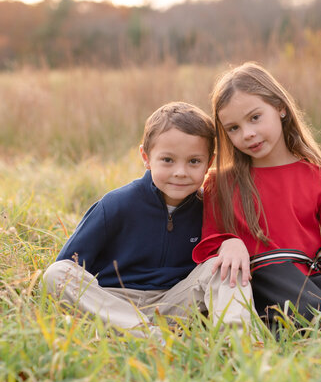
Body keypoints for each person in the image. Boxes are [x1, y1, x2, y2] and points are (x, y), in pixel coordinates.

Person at [192, 62, 321, 325]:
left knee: (315, 291)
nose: (248, 134)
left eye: (255, 117)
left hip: (306, 290)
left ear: (280, 108)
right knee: (272, 273)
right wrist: (227, 243)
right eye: (233, 128)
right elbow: (207, 252)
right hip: (249, 290)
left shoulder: (320, 180)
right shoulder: (219, 183)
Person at [43, 102, 254, 340]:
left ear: (209, 162)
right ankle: (150, 335)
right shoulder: (116, 204)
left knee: (226, 265)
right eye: (167, 160)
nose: (180, 172)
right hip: (115, 302)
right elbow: (70, 265)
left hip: (174, 302)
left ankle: (239, 343)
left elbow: (221, 249)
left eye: (194, 161)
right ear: (146, 157)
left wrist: (232, 242)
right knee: (56, 273)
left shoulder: (210, 207)